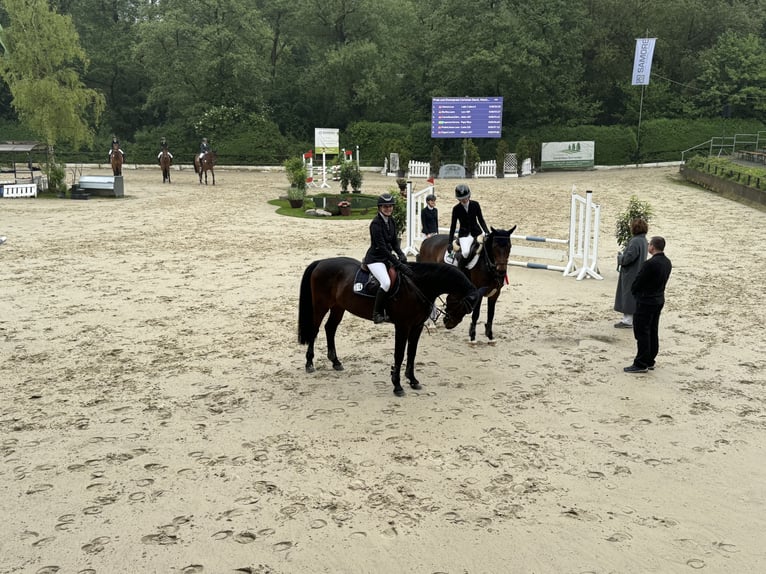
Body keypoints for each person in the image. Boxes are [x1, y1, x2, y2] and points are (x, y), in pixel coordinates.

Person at [624, 236, 672, 373]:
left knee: (642, 331)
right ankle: (650, 359)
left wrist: (635, 291)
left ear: (652, 247)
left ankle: (641, 362)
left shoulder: (650, 264)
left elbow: (639, 282)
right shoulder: (667, 262)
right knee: (652, 329)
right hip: (658, 299)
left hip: (646, 300)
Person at [364, 193, 411, 324]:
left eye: (390, 206)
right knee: (386, 283)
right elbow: (383, 248)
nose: (388, 209)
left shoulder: (391, 220)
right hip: (375, 259)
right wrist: (397, 263)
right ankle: (376, 313)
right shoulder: (375, 224)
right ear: (379, 207)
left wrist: (401, 254)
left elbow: (394, 242)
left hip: (386, 257)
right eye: (385, 206)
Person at [614, 218, 648, 328]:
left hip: (631, 272)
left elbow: (629, 257)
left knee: (628, 294)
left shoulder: (635, 241)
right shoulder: (644, 241)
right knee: (633, 295)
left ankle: (627, 320)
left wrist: (620, 258)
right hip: (638, 271)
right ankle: (631, 319)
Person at [446, 184, 490, 269]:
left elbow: (481, 220)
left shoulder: (475, 204)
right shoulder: (456, 209)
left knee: (485, 249)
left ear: (469, 196)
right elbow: (453, 226)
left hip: (477, 232)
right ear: (458, 199)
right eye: (462, 199)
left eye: (466, 197)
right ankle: (461, 270)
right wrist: (449, 242)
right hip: (464, 234)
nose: (464, 200)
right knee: (465, 252)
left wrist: (487, 232)